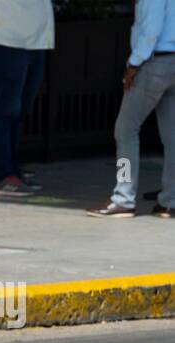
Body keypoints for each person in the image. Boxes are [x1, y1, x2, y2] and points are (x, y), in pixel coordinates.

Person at [87, 0, 175, 218]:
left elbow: (151, 29)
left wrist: (134, 63)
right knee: (173, 137)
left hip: (155, 64)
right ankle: (170, 201)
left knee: (125, 131)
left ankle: (123, 197)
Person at [0, 0, 54, 199]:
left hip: (37, 44)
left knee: (19, 111)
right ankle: (2, 176)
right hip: (7, 44)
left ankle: (13, 172)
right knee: (5, 110)